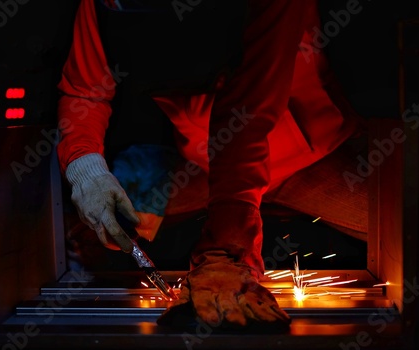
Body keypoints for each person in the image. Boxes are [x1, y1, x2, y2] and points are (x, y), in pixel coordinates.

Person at [56, 0, 368, 331]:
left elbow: (246, 115)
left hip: (307, 156)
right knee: (83, 230)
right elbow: (85, 92)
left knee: (402, 226)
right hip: (203, 164)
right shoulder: (105, 4)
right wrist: (86, 170)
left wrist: (226, 252)